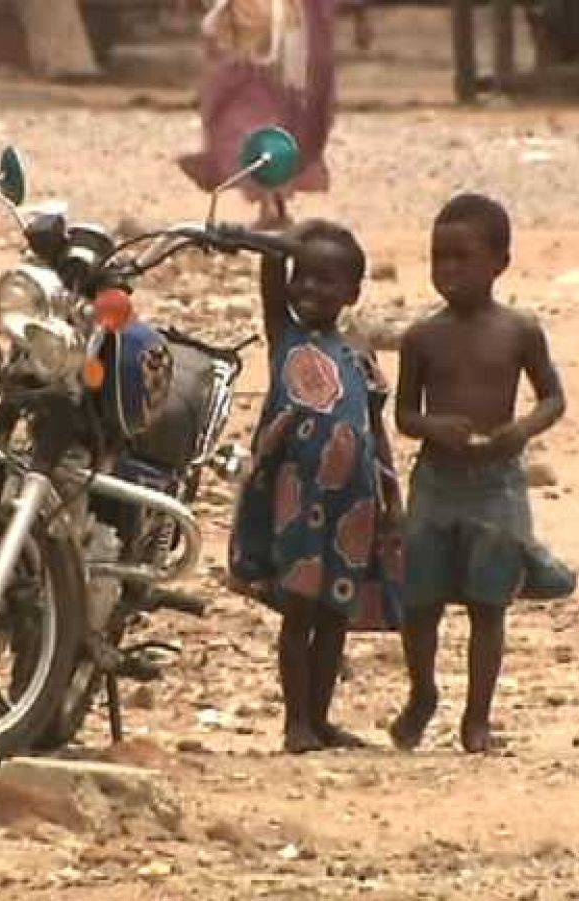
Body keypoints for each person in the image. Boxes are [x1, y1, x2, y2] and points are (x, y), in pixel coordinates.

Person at [388, 194, 577, 755]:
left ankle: (478, 718)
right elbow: (404, 415)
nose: (447, 270)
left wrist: (521, 432)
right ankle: (422, 693)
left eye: (461, 258)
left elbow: (552, 398)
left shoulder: (519, 330)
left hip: (496, 483)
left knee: (488, 602)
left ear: (499, 262)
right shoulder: (422, 338)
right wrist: (433, 426)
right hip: (438, 481)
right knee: (420, 600)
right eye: (438, 258)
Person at [226, 218, 405, 754]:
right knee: (299, 610)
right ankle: (295, 722)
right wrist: (278, 244)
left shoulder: (359, 352)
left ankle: (322, 719)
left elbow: (375, 430)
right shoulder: (287, 336)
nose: (310, 289)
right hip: (297, 501)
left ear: (352, 292)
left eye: (326, 281)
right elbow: (270, 276)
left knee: (334, 616)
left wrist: (392, 499)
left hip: (353, 504)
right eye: (301, 277)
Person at [179, 1, 359, 229]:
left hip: (263, 31)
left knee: (250, 124)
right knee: (275, 118)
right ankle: (274, 202)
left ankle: (271, 204)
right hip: (287, 31)